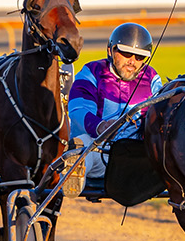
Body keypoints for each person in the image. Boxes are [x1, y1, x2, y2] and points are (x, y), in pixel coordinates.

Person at [68, 22, 163, 182]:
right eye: (126, 54)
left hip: (137, 156)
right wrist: (101, 126)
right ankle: (73, 179)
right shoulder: (92, 71)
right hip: (99, 151)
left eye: (139, 57)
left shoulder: (151, 78)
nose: (132, 61)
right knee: (82, 144)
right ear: (110, 51)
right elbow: (78, 109)